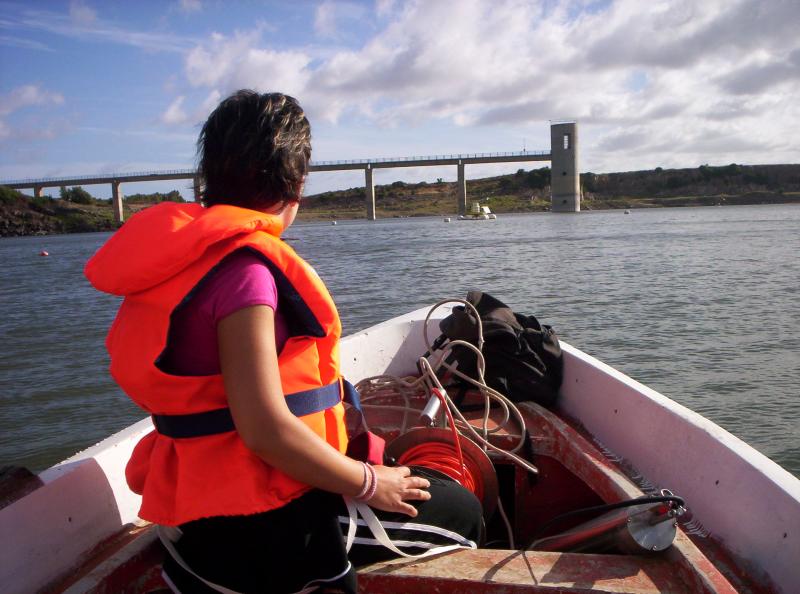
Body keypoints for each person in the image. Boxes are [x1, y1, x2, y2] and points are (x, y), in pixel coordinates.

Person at [85, 90, 482, 594]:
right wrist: (369, 482)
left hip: (193, 499)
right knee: (462, 513)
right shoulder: (245, 275)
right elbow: (264, 431)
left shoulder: (178, 262)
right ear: (296, 183)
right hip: (253, 524)